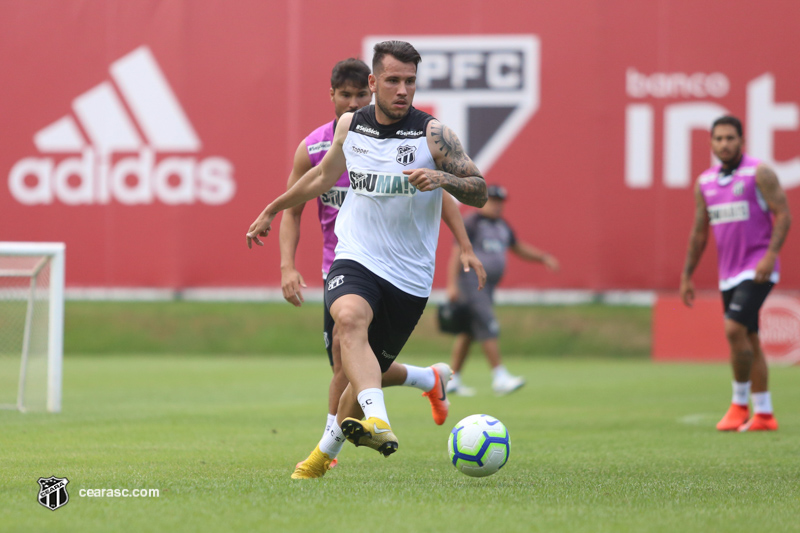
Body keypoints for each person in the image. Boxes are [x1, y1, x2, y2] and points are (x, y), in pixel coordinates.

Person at [247, 40, 488, 478]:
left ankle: (321, 457)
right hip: (355, 255)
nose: (402, 90)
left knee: (361, 378)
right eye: (393, 80)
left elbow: (480, 188)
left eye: (410, 82)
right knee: (349, 320)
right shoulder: (350, 126)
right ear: (374, 82)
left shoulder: (433, 135)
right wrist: (272, 208)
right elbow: (321, 178)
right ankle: (378, 421)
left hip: (410, 276)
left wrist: (442, 177)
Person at [680, 115, 791, 432]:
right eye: (718, 139)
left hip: (757, 269)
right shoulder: (705, 183)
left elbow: (783, 214)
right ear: (711, 143)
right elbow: (699, 232)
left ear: (742, 141)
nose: (724, 144)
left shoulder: (759, 173)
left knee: (732, 329)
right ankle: (765, 414)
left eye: (730, 138)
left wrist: (770, 254)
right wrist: (687, 275)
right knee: (750, 339)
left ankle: (739, 405)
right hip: (728, 273)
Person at [444, 184, 560, 396]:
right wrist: (451, 284)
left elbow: (518, 248)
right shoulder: (471, 222)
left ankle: (452, 380)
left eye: (500, 202)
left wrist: (543, 257)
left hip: (488, 287)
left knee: (469, 332)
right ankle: (500, 377)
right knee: (488, 323)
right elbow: (456, 253)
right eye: (492, 200)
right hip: (472, 283)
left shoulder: (502, 226)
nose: (497, 206)